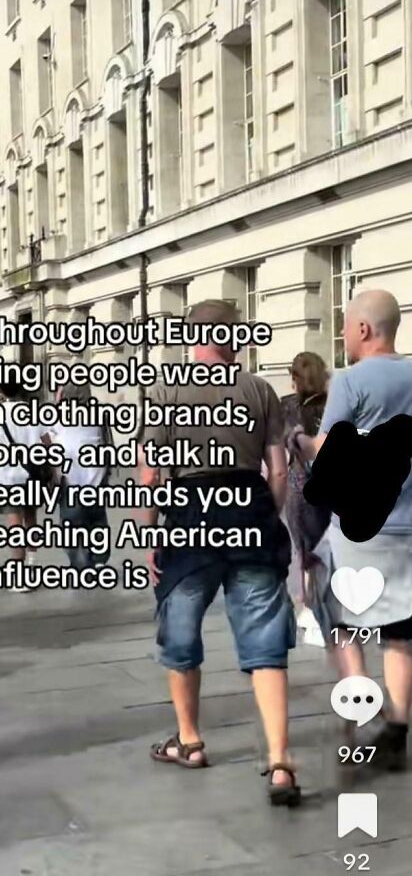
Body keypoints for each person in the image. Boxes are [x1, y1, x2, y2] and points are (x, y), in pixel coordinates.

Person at [140, 300, 298, 806]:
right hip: (249, 506)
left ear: (191, 338)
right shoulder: (259, 390)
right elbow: (278, 469)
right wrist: (267, 513)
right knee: (264, 638)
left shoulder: (165, 391)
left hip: (190, 513)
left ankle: (189, 742)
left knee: (181, 628)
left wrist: (150, 534)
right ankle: (279, 761)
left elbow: (150, 473)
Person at [294, 290, 412, 769]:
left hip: (360, 528)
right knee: (401, 631)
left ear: (363, 329)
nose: (343, 335)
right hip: (409, 523)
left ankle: (361, 712)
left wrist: (303, 442)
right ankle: (398, 726)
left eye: (344, 325)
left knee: (342, 621)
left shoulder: (351, 380)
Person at [0, 374, 50, 593]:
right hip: (32, 473)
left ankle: (19, 576)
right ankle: (32, 565)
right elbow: (47, 442)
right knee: (31, 520)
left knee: (14, 525)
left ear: (0, 390)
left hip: (6, 477)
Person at [280, 353, 330, 645]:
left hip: (299, 487)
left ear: (295, 378)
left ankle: (312, 611)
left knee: (305, 551)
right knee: (327, 550)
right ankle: (321, 607)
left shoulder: (287, 406)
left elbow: (283, 446)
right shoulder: (334, 403)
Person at [50, 383, 113, 570]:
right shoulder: (97, 414)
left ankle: (82, 564)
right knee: (97, 519)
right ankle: (99, 559)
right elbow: (106, 441)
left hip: (70, 478)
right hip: (96, 476)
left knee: (71, 524)